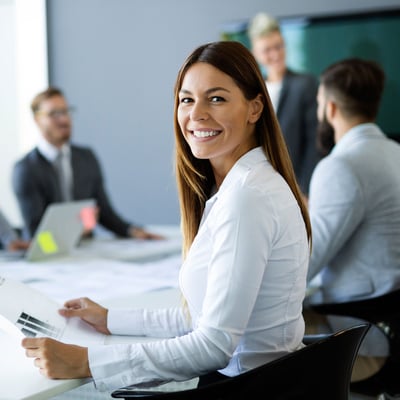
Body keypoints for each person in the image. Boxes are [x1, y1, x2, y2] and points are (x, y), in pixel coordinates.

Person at [20, 41, 311, 393]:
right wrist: (109, 319)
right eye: (187, 99)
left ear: (255, 108)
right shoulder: (241, 187)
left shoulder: (249, 197)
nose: (197, 114)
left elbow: (212, 346)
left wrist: (86, 361)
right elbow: (201, 317)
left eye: (216, 98)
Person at [304, 58, 400, 385]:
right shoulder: (394, 152)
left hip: (363, 334)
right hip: (388, 316)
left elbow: (304, 264)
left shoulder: (341, 166)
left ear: (330, 108)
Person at [12, 87, 162, 240]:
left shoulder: (86, 158)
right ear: (37, 119)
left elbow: (104, 211)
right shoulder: (25, 170)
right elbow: (36, 234)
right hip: (49, 255)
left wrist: (132, 231)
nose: (64, 119)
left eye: (66, 111)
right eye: (54, 114)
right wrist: (72, 233)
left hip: (87, 250)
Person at [248, 12, 320, 197]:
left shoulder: (305, 85)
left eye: (278, 46)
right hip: (258, 187)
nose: (275, 54)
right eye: (267, 50)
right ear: (256, 53)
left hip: (295, 187)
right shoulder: (251, 91)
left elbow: (314, 143)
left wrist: (304, 191)